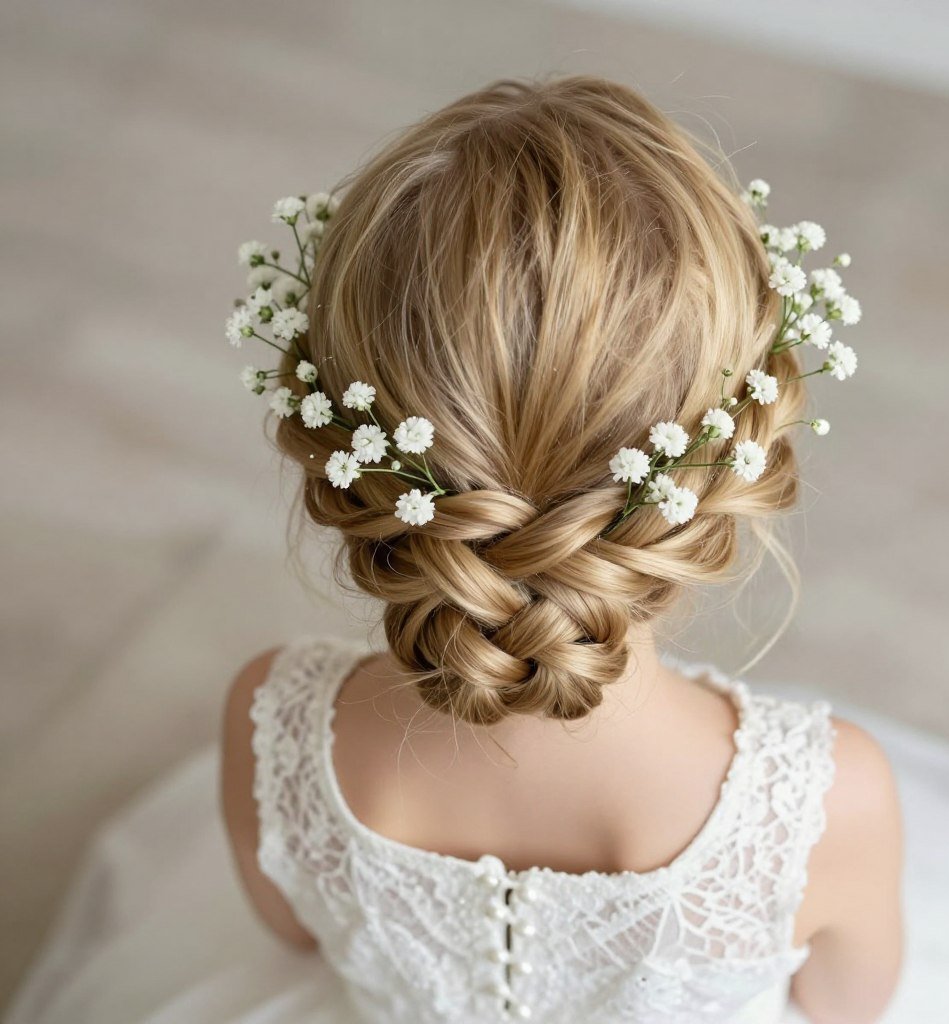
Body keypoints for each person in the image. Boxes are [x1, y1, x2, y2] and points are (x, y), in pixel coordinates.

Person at [217, 76, 901, 1023]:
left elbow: (287, 933)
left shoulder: (276, 724)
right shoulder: (830, 804)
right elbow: (847, 1006)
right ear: (729, 461)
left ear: (345, 455)